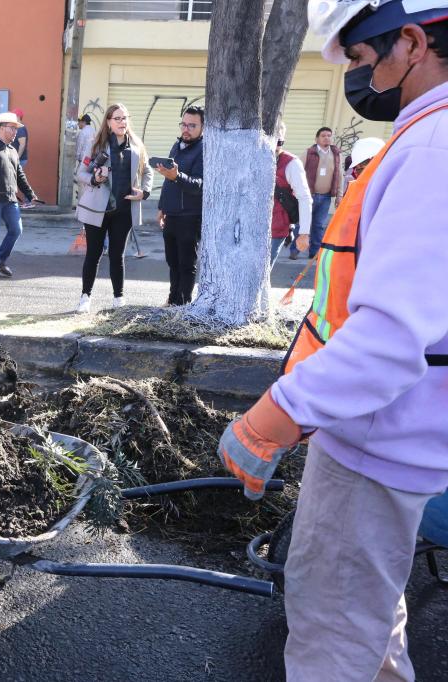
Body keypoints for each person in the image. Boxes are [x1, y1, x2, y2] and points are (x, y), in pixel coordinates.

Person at [218, 2, 448, 679]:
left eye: (356, 58)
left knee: (332, 639)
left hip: (378, 446)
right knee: (370, 622)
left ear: (409, 41)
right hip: (387, 434)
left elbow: (387, 340)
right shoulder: (426, 138)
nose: (354, 77)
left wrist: (271, 421)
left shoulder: (433, 150)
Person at [74, 103, 152, 312]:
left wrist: (144, 192)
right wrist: (95, 178)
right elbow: (81, 174)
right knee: (94, 254)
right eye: (117, 118)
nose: (122, 122)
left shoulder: (136, 146)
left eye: (125, 118)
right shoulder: (96, 144)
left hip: (124, 211)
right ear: (108, 122)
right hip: (98, 210)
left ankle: (118, 298)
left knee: (118, 256)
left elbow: (148, 172)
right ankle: (85, 297)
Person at [156, 105, 204, 306]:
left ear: (203, 127)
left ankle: (183, 304)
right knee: (172, 262)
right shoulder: (177, 146)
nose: (186, 129)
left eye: (192, 125)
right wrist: (162, 207)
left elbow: (199, 185)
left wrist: (177, 176)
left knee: (186, 264)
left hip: (190, 216)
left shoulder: (204, 149)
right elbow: (169, 180)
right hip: (172, 213)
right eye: (183, 124)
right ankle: (173, 299)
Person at [0, 111, 37, 280]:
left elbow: (19, 174)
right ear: (0, 128)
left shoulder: (13, 150)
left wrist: (30, 193)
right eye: (12, 128)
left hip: (10, 199)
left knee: (16, 229)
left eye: (16, 128)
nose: (15, 132)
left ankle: (0, 260)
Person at [271, 122, 313, 265]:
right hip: (247, 229)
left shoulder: (291, 164)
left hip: (274, 230)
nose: (274, 145)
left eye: (279, 141)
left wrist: (304, 233)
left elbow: (305, 197)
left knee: (258, 277)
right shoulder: (251, 158)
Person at [302, 126, 342, 258]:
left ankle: (314, 252)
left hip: (325, 198)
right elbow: (299, 172)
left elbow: (340, 175)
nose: (327, 138)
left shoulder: (336, 154)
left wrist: (339, 196)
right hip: (308, 196)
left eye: (329, 135)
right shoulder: (309, 152)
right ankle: (295, 250)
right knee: (302, 224)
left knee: (319, 226)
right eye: (323, 135)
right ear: (317, 138)